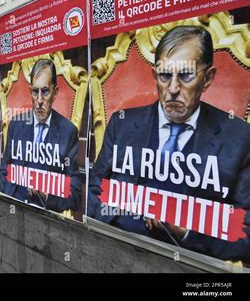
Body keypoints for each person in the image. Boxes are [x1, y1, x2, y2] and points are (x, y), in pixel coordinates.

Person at [87, 26, 250, 262]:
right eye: (165, 76)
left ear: (207, 79)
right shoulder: (121, 125)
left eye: (186, 75)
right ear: (155, 76)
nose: (173, 89)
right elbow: (96, 191)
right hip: (117, 253)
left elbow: (246, 231)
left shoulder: (240, 138)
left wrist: (189, 232)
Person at [0, 59, 81, 213]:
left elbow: (75, 193)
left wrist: (49, 194)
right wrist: (9, 199)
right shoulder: (16, 125)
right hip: (15, 208)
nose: (39, 101)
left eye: (45, 91)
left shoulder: (67, 132)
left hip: (46, 215)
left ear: (55, 92)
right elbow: (4, 170)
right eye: (35, 91)